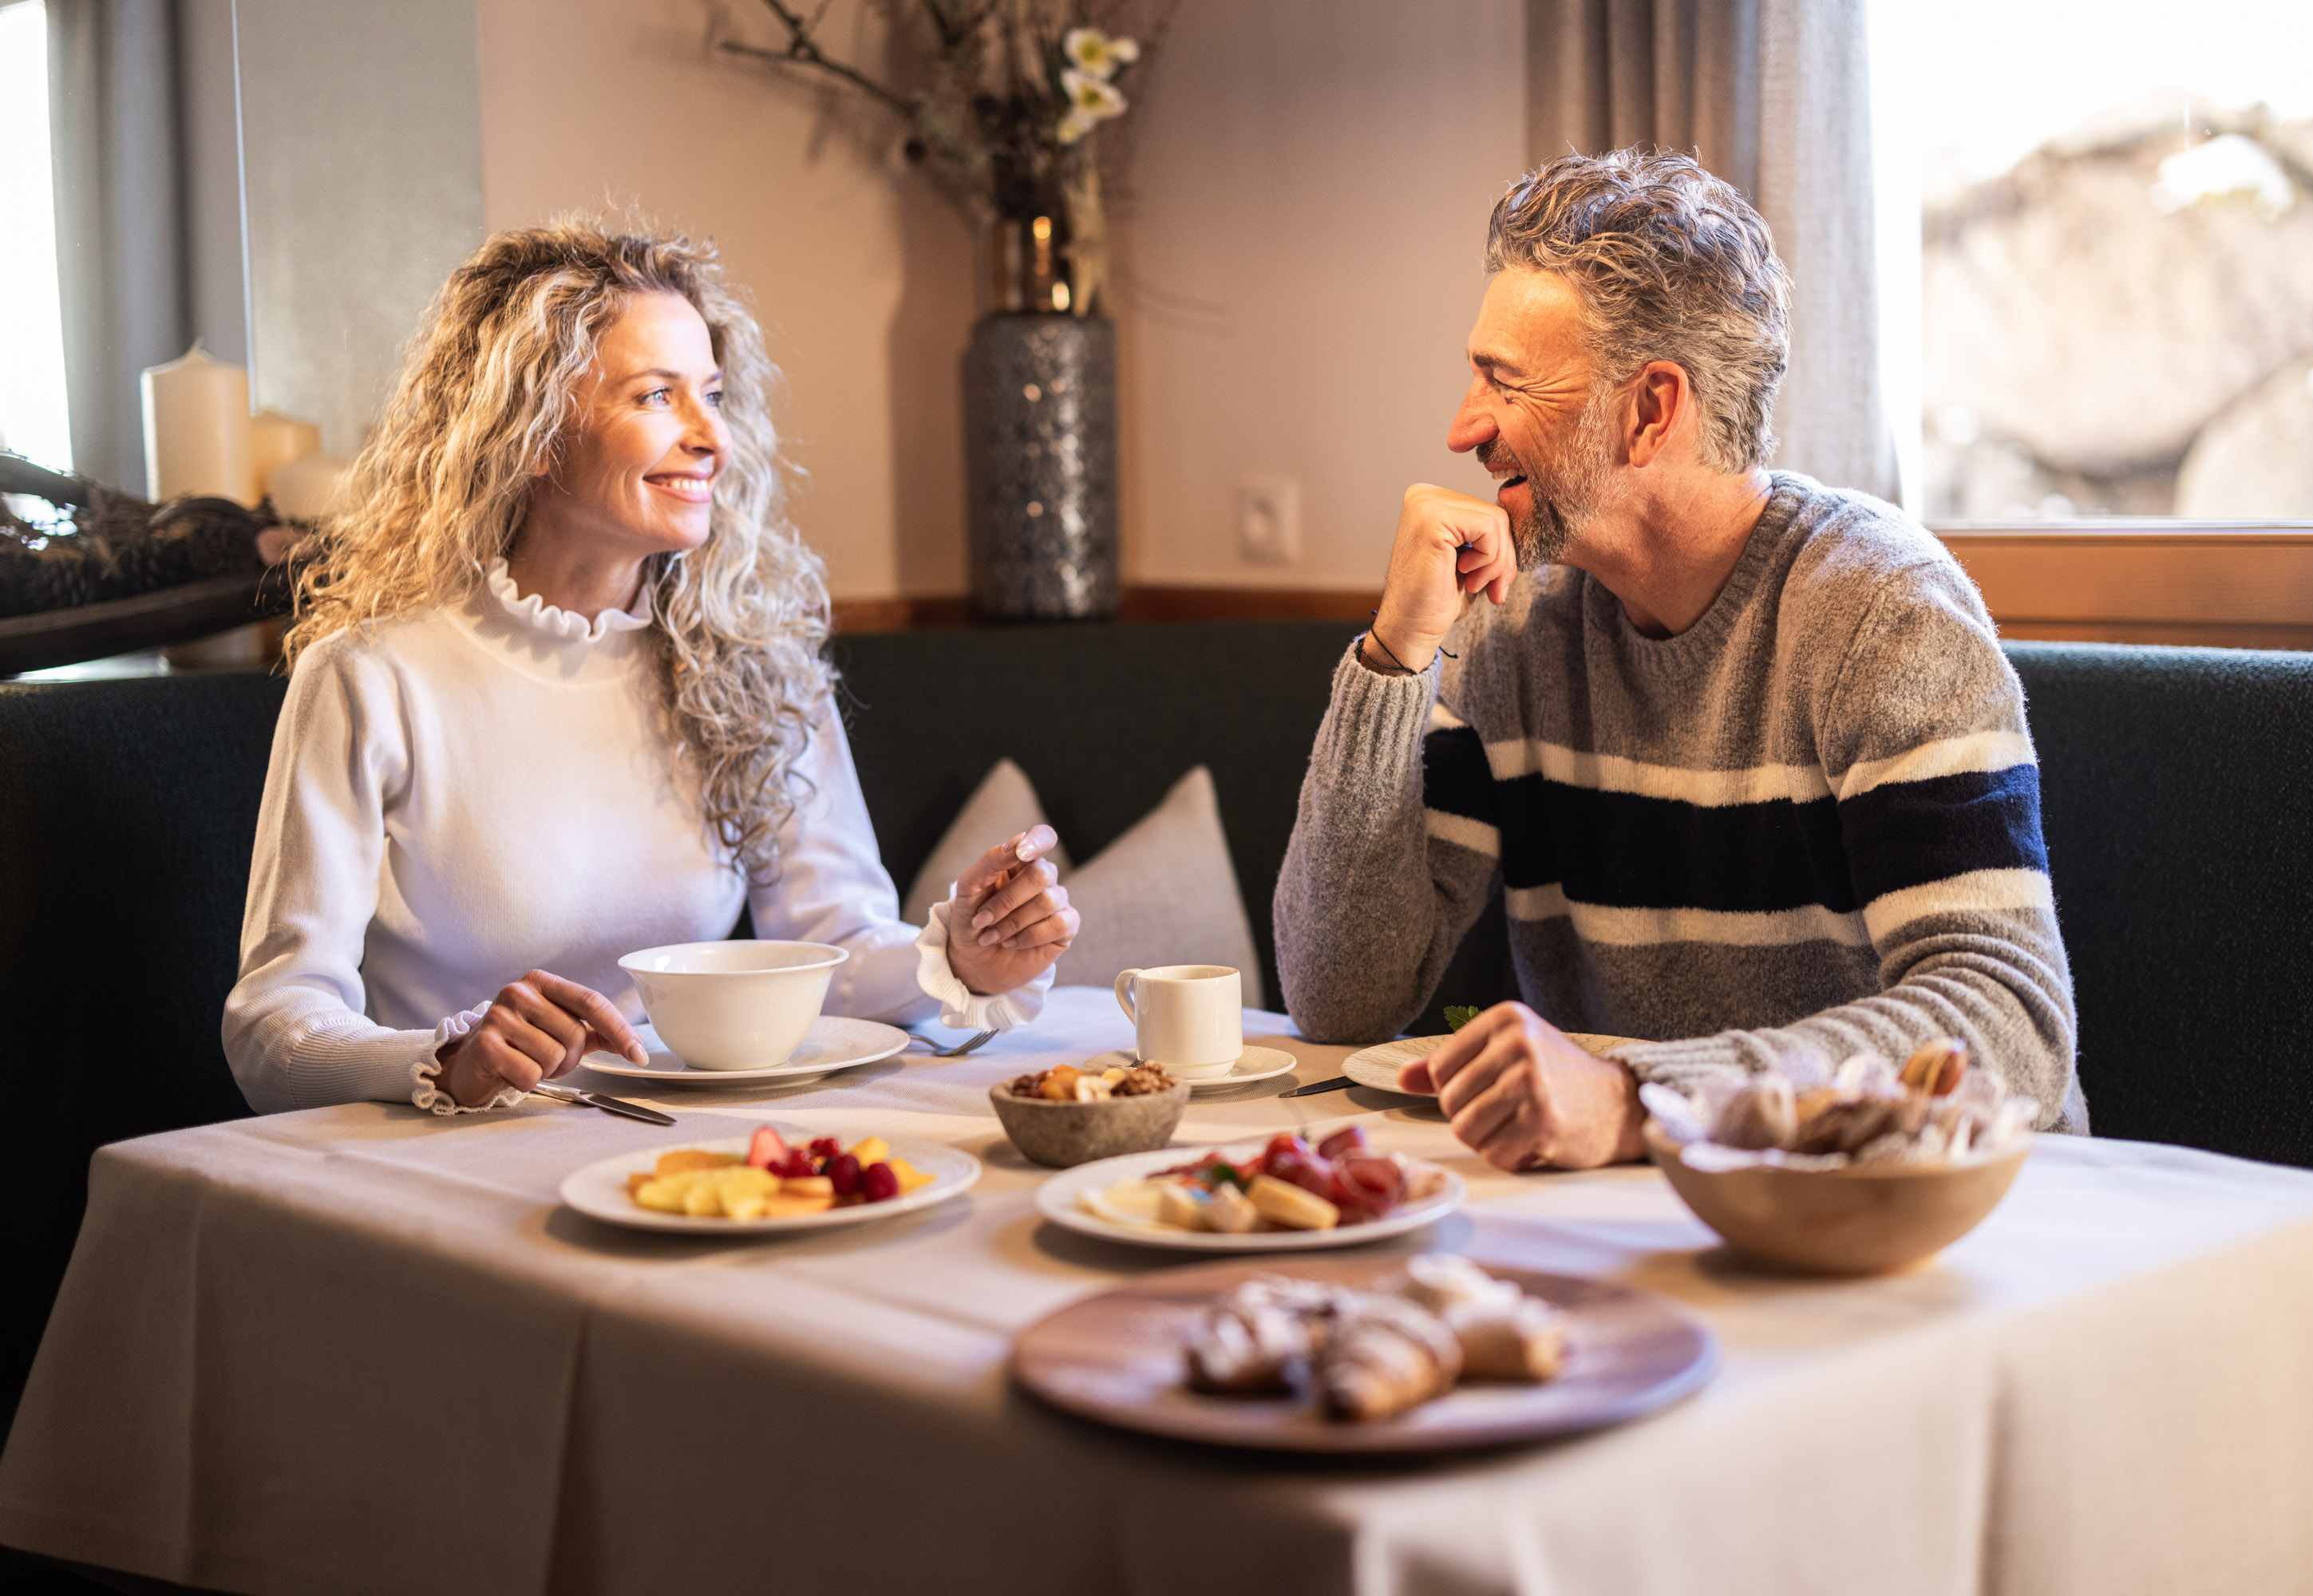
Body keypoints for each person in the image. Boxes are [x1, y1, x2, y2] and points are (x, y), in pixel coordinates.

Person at [1273, 151, 2084, 1172]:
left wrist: (1643, 1100)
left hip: (1950, 1223)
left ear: (1650, 408)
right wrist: (1392, 660)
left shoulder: (1878, 609)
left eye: (1504, 381)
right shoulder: (1507, 614)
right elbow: (1341, 997)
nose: (1460, 426)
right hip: (1668, 1208)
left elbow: (2007, 1024)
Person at [224, 223, 1076, 1115]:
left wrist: (960, 956)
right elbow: (271, 1028)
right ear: (535, 430)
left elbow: (834, 954)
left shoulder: (754, 668)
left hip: (673, 1145)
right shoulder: (370, 679)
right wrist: (446, 1059)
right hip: (446, 1161)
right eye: (656, 396)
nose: (713, 436)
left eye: (709, 393)